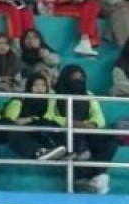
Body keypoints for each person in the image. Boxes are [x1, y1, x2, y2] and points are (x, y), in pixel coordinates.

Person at [49, 65, 116, 194]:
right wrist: (70, 123)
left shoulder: (88, 94)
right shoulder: (54, 94)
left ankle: (88, 175)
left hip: (86, 130)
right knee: (74, 138)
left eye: (81, 77)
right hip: (64, 131)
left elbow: (99, 118)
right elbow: (50, 116)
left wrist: (90, 124)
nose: (78, 80)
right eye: (74, 77)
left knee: (111, 141)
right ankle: (87, 178)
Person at [3, 74, 65, 161]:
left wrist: (71, 122)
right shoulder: (18, 100)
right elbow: (8, 122)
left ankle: (61, 151)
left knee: (52, 125)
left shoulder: (49, 102)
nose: (40, 88)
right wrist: (30, 119)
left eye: (43, 85)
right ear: (29, 86)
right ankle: (38, 152)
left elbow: (53, 117)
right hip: (23, 130)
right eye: (36, 85)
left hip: (40, 129)